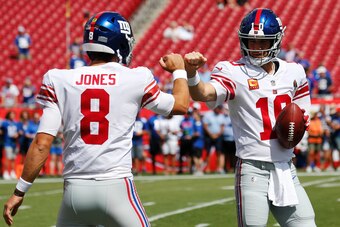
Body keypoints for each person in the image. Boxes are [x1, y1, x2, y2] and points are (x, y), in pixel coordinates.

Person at [3, 11, 190, 227]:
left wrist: (19, 191)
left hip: (74, 193)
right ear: (120, 42)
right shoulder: (136, 77)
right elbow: (180, 105)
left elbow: (41, 144)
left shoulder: (59, 79)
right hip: (116, 187)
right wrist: (179, 71)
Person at [184, 8, 316, 227]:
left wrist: (298, 128)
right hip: (253, 169)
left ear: (277, 40)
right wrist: (191, 74)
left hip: (285, 168)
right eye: (251, 41)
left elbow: (302, 114)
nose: (256, 48)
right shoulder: (233, 71)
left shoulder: (294, 72)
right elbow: (204, 93)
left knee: (306, 223)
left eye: (263, 42)